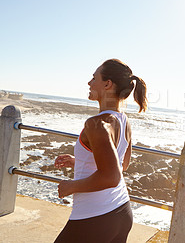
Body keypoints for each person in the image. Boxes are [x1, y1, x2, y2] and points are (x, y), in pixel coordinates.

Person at [53, 59, 147, 243]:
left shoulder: (96, 123)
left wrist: (70, 186)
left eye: (93, 78)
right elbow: (122, 164)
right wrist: (78, 161)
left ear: (107, 84)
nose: (89, 83)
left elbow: (111, 176)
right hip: (121, 212)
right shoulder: (123, 120)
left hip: (93, 218)